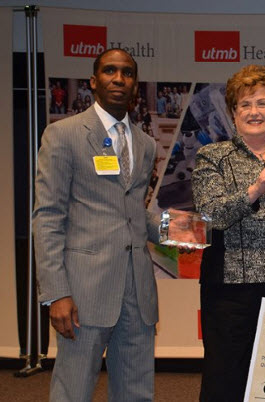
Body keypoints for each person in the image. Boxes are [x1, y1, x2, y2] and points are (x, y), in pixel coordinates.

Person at [33, 48, 160, 401]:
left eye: (127, 73)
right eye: (109, 71)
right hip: (84, 291)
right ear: (94, 81)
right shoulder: (63, 135)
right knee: (73, 390)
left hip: (137, 289)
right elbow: (47, 217)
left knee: (136, 391)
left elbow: (133, 210)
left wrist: (177, 230)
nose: (119, 79)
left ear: (136, 84)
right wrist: (56, 292)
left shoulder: (146, 144)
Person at [192, 64, 265, 401]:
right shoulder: (212, 156)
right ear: (233, 112)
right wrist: (255, 189)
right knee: (225, 379)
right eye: (245, 104)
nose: (254, 112)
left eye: (262, 103)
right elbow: (212, 214)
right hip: (229, 291)